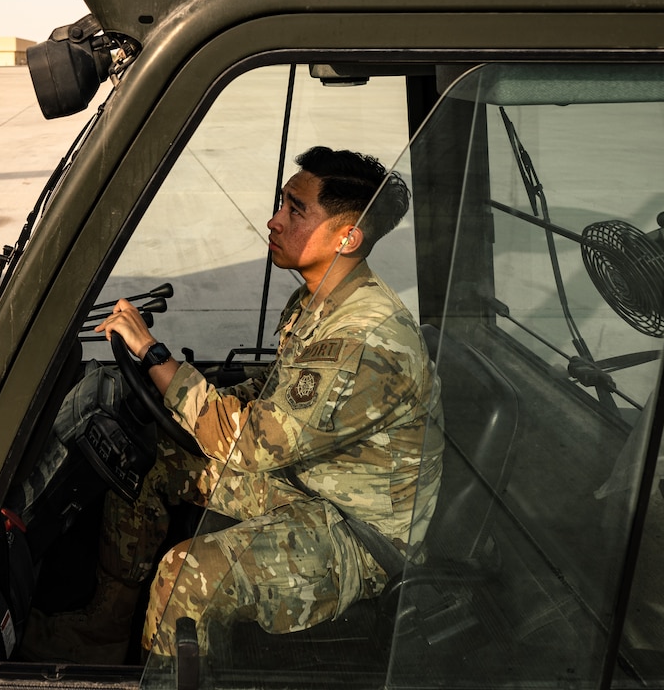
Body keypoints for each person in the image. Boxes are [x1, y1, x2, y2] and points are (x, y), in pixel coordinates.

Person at [22, 146, 444, 661]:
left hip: (360, 533)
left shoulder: (363, 338)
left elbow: (251, 443)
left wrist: (155, 357)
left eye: (295, 210)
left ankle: (160, 673)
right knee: (145, 464)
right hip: (307, 483)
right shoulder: (318, 300)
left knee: (187, 574)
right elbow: (273, 391)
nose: (274, 220)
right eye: (281, 204)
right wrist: (191, 395)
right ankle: (105, 631)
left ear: (347, 236)